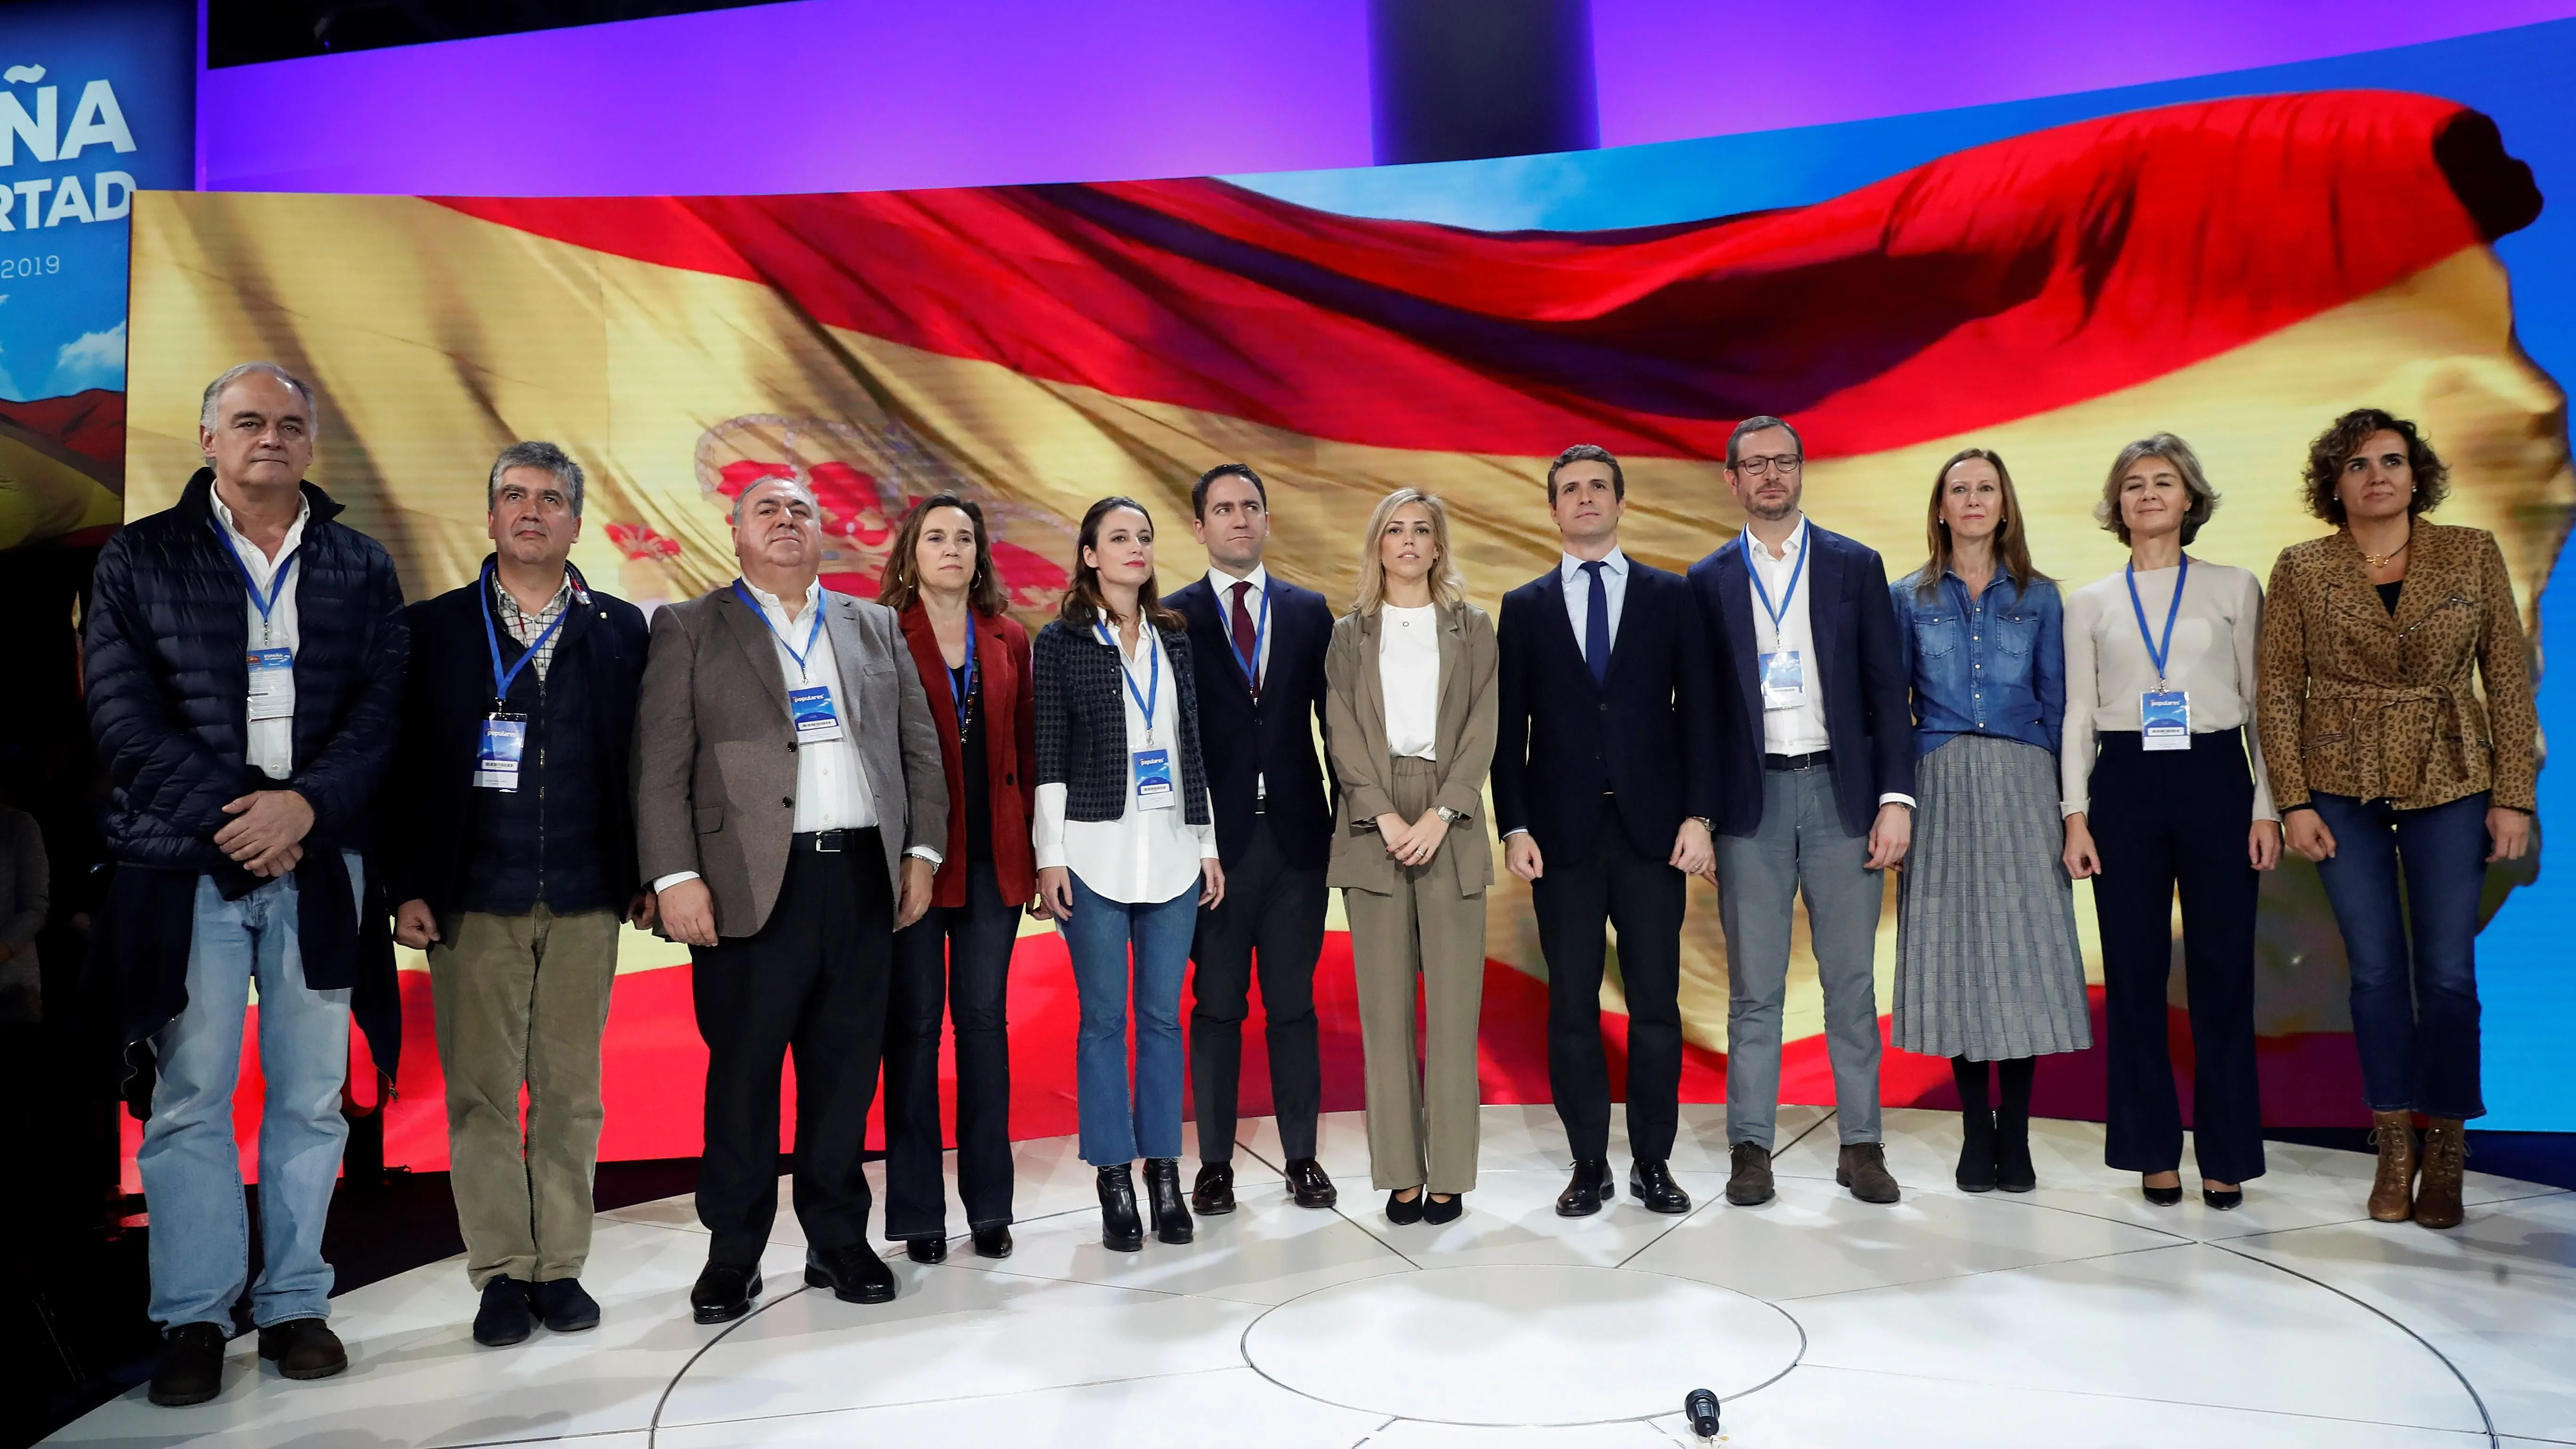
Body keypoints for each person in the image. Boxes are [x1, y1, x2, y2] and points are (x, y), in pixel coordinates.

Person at [85, 362, 407, 1406]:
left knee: (313, 1097)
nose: (271, 437)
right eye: (248, 422)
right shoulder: (140, 556)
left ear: (312, 446)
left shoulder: (359, 564)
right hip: (188, 865)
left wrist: (304, 807)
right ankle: (194, 1316)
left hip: (320, 863)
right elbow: (122, 718)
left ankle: (297, 1302)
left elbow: (382, 712)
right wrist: (242, 818)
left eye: (290, 424)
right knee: (189, 1100)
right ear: (209, 438)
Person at [633, 474, 946, 1322]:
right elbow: (660, 764)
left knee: (845, 1075)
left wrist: (921, 852)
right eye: (765, 510)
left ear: (823, 534)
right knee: (743, 1079)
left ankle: (838, 1240)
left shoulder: (874, 624)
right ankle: (732, 1254)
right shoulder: (690, 626)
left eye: (799, 509)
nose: (785, 521)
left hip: (860, 883)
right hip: (741, 891)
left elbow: (919, 749)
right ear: (734, 534)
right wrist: (673, 877)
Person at [384, 442, 652, 1347]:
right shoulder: (435, 629)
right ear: (490, 517)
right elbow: (403, 768)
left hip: (586, 893)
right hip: (471, 896)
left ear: (576, 522)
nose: (530, 511)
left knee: (573, 1094)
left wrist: (645, 873)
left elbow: (645, 768)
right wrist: (407, 882)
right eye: (513, 496)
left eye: (549, 498)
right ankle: (502, 1271)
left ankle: (560, 1267)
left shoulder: (621, 628)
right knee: (483, 1096)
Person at [2258, 409, 2536, 1230]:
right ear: (2333, 484)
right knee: (2376, 971)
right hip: (2339, 779)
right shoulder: (2303, 567)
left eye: (2392, 461)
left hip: (2453, 772)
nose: (2377, 475)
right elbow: (2276, 691)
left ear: (2417, 477)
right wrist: (2295, 800)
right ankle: (2392, 1141)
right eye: (2357, 464)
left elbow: (2508, 681)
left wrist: (2513, 793)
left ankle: (2446, 1142)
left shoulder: (2472, 551)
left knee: (2447, 972)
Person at [1685, 414, 1911, 1208]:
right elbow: (1702, 713)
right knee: (1755, 989)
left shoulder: (1855, 565)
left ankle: (1862, 1144)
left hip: (1841, 795)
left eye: (1784, 461)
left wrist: (1895, 799)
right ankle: (1752, 1146)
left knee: (1851, 980)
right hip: (1752, 803)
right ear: (1733, 480)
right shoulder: (1706, 579)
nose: (1772, 476)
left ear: (1802, 471)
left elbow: (1890, 694)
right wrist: (1701, 816)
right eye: (1756, 465)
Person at [1494, 445, 1715, 1218]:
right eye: (1570, 490)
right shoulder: (1522, 608)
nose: (1585, 498)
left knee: (1655, 1003)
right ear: (1552, 509)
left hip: (1656, 835)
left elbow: (1702, 716)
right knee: (1573, 1008)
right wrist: (1514, 824)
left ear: (1621, 503)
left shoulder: (1671, 594)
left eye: (1598, 487)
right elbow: (1507, 732)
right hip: (1561, 840)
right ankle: (1589, 1162)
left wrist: (1699, 815)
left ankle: (1653, 1160)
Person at [2062, 434, 2280, 1210]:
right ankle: (2152, 1149)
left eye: (2164, 482)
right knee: (2132, 972)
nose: (2148, 494)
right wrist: (2075, 814)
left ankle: (2225, 1154)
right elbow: (2078, 715)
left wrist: (2267, 806)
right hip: (2121, 784)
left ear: (2191, 500)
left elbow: (2262, 706)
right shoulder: (2087, 599)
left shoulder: (2233, 586)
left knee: (2223, 974)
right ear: (2117, 506)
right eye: (2133, 484)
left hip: (2216, 776)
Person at [1887, 449, 2091, 1194]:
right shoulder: (1906, 595)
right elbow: (1890, 707)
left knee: (2022, 954)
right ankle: (1977, 1128)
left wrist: (2074, 814)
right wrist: (1896, 798)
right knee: (1958, 952)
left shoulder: (2040, 597)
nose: (1973, 500)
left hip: (2022, 779)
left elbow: (2062, 704)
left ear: (2005, 506)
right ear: (1941, 508)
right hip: (1938, 777)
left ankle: (2020, 1131)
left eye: (1986, 489)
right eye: (1959, 489)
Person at [1032, 497, 1225, 1251]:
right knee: (1104, 1020)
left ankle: (1164, 1175)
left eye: (1144, 537)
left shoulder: (1174, 638)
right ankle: (1115, 1175)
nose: (1136, 548)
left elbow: (1191, 748)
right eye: (1119, 538)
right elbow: (1049, 749)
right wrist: (1050, 855)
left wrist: (1208, 844)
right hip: (1094, 854)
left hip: (1174, 852)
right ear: (1089, 555)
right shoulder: (1061, 641)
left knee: (1160, 1020)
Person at [1167, 464, 1339, 1216]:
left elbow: (1338, 729)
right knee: (1217, 1004)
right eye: (1223, 509)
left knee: (1295, 1003)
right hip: (1216, 848)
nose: (1240, 519)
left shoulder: (1308, 611)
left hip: (1298, 838)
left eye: (1251, 506)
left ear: (1267, 520)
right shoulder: (1172, 618)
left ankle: (1302, 1157)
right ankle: (1213, 1164)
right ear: (1199, 527)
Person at [1325, 488, 1498, 1225]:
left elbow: (1484, 723)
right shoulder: (1349, 633)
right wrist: (1386, 814)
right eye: (1393, 529)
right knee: (1385, 1015)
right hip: (1374, 820)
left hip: (1450, 817)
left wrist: (1444, 808)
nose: (1406, 541)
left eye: (1420, 530)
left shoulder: (1474, 626)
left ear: (1437, 546)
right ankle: (1399, 1171)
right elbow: (1339, 731)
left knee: (1455, 1015)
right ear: (1377, 544)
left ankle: (1451, 1174)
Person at [876, 494, 1037, 1263]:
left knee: (982, 1030)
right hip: (916, 865)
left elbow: (1032, 755)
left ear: (980, 554)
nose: (952, 548)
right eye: (936, 537)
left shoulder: (1009, 637)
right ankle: (918, 1215)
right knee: (910, 1033)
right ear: (910, 554)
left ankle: (990, 1208)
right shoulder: (883, 634)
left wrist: (1040, 856)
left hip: (993, 865)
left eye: (965, 537)